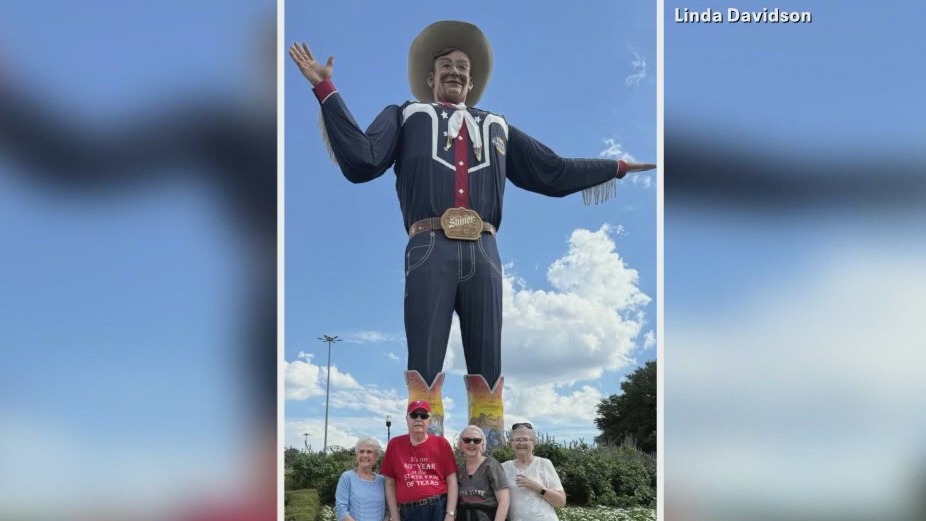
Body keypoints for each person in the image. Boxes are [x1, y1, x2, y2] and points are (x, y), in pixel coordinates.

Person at [289, 20, 655, 447]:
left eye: (463, 66)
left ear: (473, 79)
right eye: (445, 64)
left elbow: (552, 170)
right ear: (430, 77)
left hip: (485, 249)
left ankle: (492, 457)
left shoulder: (497, 126)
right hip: (429, 244)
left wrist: (617, 167)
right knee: (423, 358)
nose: (455, 71)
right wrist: (326, 91)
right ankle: (427, 454)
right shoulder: (405, 115)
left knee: (489, 358)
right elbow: (362, 159)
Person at [380, 400, 459, 521]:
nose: (418, 419)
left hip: (438, 508)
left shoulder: (441, 443)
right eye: (413, 415)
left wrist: (450, 514)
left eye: (424, 415)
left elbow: (452, 480)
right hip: (409, 511)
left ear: (429, 420)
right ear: (407, 419)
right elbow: (390, 482)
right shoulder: (394, 444)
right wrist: (395, 516)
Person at [501, 423, 566, 521]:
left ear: (533, 442)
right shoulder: (504, 467)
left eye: (525, 439)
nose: (521, 443)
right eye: (517, 439)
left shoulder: (544, 464)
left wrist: (539, 488)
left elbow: (561, 501)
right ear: (511, 443)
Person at [455, 425, 509, 521]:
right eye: (467, 440)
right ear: (461, 443)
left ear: (482, 444)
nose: (471, 443)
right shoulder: (459, 469)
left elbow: (504, 500)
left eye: (476, 440)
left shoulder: (491, 465)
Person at [335, 437, 388, 521]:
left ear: (376, 457)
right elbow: (341, 509)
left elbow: (388, 510)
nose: (364, 455)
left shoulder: (382, 481)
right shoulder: (347, 477)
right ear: (357, 455)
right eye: (361, 451)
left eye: (369, 452)